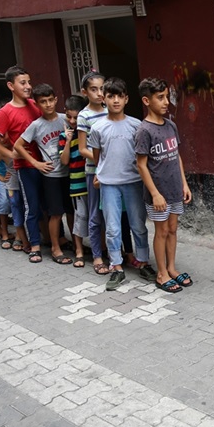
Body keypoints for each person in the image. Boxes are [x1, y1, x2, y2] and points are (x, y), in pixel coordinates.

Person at [87, 77, 151, 291]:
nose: (115, 101)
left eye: (119, 96)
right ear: (103, 99)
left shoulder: (136, 125)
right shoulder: (97, 128)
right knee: (113, 227)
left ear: (126, 99)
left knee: (138, 225)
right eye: (111, 96)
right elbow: (98, 156)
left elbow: (142, 155)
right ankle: (116, 266)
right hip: (109, 185)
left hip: (133, 181)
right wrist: (100, 174)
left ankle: (143, 260)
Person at [135, 77, 193, 293]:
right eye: (160, 98)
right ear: (146, 101)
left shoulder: (171, 126)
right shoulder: (144, 131)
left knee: (172, 229)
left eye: (166, 96)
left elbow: (176, 156)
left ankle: (171, 268)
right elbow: (141, 165)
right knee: (161, 231)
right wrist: (155, 194)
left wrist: (184, 184)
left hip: (174, 189)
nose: (166, 102)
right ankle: (161, 273)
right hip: (157, 193)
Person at [77, 71, 137, 276]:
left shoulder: (116, 114)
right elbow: (85, 148)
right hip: (97, 172)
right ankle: (97, 255)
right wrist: (104, 166)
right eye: (94, 89)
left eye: (101, 88)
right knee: (97, 215)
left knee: (123, 217)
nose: (99, 93)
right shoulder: (85, 116)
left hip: (119, 174)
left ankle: (126, 253)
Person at [0, 66, 41, 258]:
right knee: (29, 206)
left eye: (29, 82)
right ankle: (33, 245)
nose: (28, 86)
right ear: (11, 85)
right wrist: (10, 153)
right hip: (25, 167)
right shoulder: (6, 112)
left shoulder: (34, 104)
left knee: (45, 206)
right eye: (22, 83)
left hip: (44, 163)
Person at [14, 84, 72, 264]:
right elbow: (17, 145)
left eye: (50, 100)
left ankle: (75, 245)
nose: (47, 105)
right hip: (51, 176)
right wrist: (35, 163)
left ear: (56, 100)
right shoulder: (36, 126)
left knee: (71, 211)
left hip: (69, 174)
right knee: (55, 213)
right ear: (37, 105)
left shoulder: (65, 119)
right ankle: (55, 248)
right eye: (43, 102)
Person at [61, 94, 90, 268]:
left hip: (91, 182)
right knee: (80, 217)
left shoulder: (88, 132)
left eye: (76, 117)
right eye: (69, 117)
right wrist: (68, 141)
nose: (72, 121)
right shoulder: (64, 136)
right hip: (77, 185)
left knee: (95, 218)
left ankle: (98, 249)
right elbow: (64, 161)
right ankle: (78, 251)